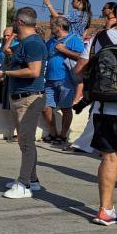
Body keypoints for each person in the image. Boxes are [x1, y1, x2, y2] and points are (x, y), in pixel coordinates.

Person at [0, 7, 48, 198]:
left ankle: (23, 184)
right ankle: (32, 180)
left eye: (15, 21)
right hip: (21, 97)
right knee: (26, 142)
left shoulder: (33, 44)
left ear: (21, 22)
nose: (13, 24)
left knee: (26, 143)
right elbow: (10, 57)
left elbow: (34, 71)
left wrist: (5, 73)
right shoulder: (25, 43)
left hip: (29, 98)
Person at [75, 15, 117, 225]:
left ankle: (105, 210)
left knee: (109, 158)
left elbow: (79, 70)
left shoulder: (99, 38)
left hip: (106, 108)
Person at [42, 16, 83, 144]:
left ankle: (63, 135)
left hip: (66, 80)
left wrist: (64, 50)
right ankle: (53, 133)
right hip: (49, 79)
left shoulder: (74, 39)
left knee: (66, 109)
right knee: (46, 108)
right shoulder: (52, 41)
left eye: (52, 24)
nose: (50, 26)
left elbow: (82, 57)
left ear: (59, 26)